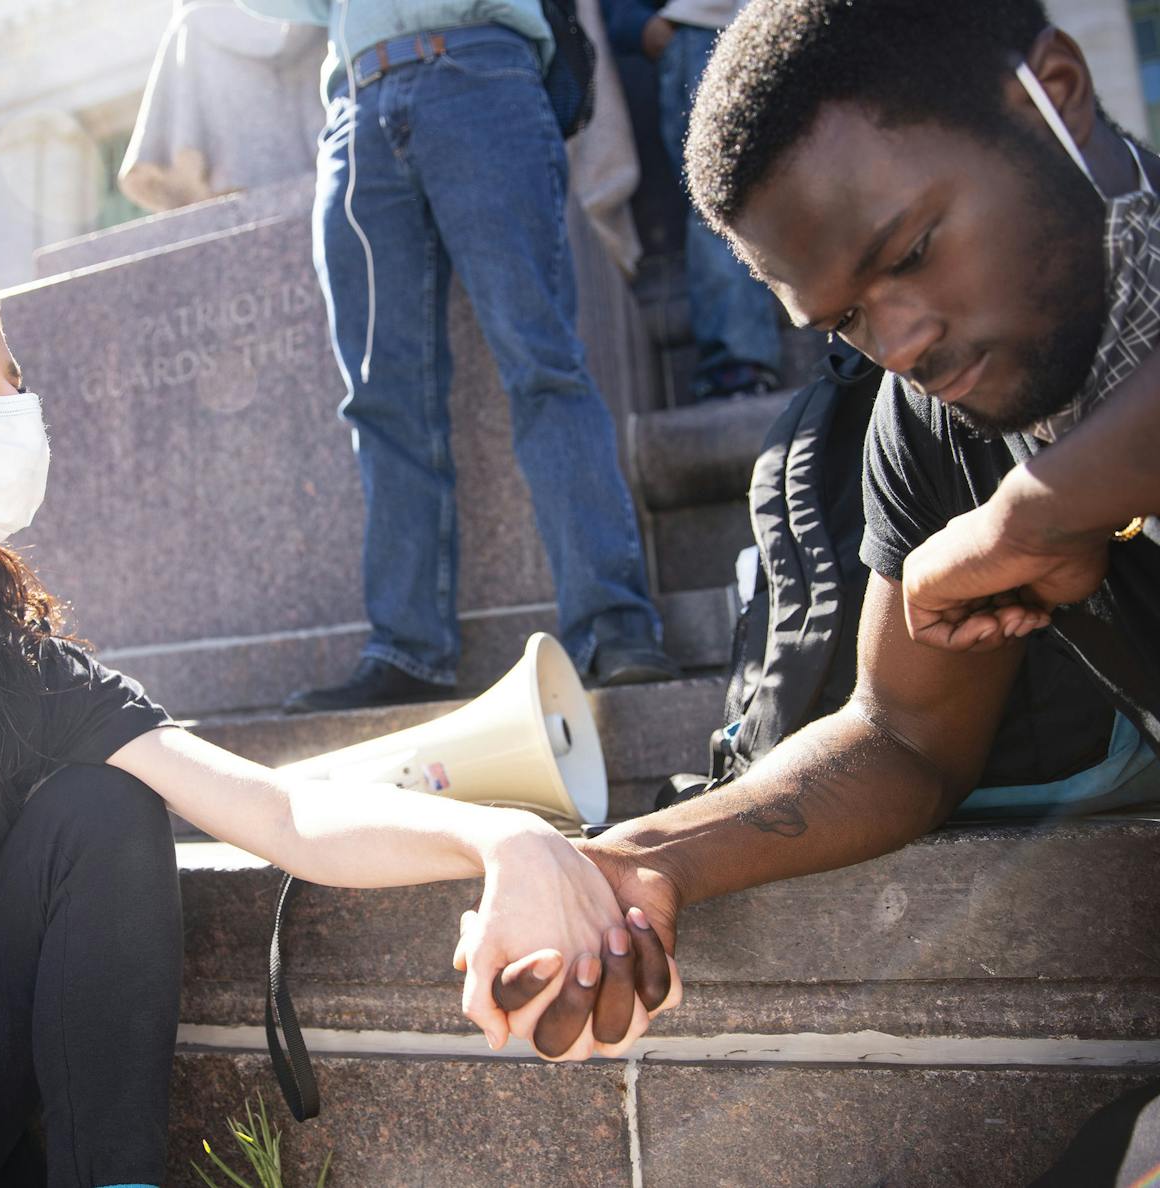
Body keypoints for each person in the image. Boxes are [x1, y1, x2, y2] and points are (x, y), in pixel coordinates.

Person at [0, 264, 676, 1188]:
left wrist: (506, 836)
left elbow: (280, 815)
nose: (12, 410)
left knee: (104, 807)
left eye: (15, 381)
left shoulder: (10, 664)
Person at [472, 0, 1160, 1177]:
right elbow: (901, 738)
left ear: (1050, 91)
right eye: (841, 317)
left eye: (906, 251)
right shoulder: (934, 423)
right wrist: (644, 854)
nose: (898, 341)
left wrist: (1033, 514)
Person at [229, 0, 679, 715]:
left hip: (484, 73)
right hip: (358, 105)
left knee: (543, 366)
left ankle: (615, 627)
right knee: (380, 399)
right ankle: (406, 648)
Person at [601, 0, 781, 400]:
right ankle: (738, 364)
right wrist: (644, 27)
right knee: (720, 201)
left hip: (776, 21)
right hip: (701, 29)